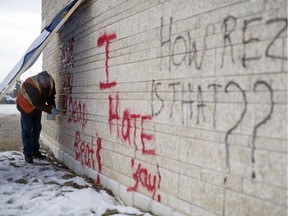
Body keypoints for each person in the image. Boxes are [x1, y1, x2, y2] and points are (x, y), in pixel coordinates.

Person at [16, 71, 61, 163]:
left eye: (47, 84)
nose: (46, 85)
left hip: (37, 108)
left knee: (37, 129)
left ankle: (35, 151)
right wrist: (50, 110)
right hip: (25, 107)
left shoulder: (51, 82)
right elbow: (37, 103)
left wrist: (52, 107)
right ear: (39, 81)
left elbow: (51, 97)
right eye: (43, 84)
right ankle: (27, 153)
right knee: (27, 130)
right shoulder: (30, 84)